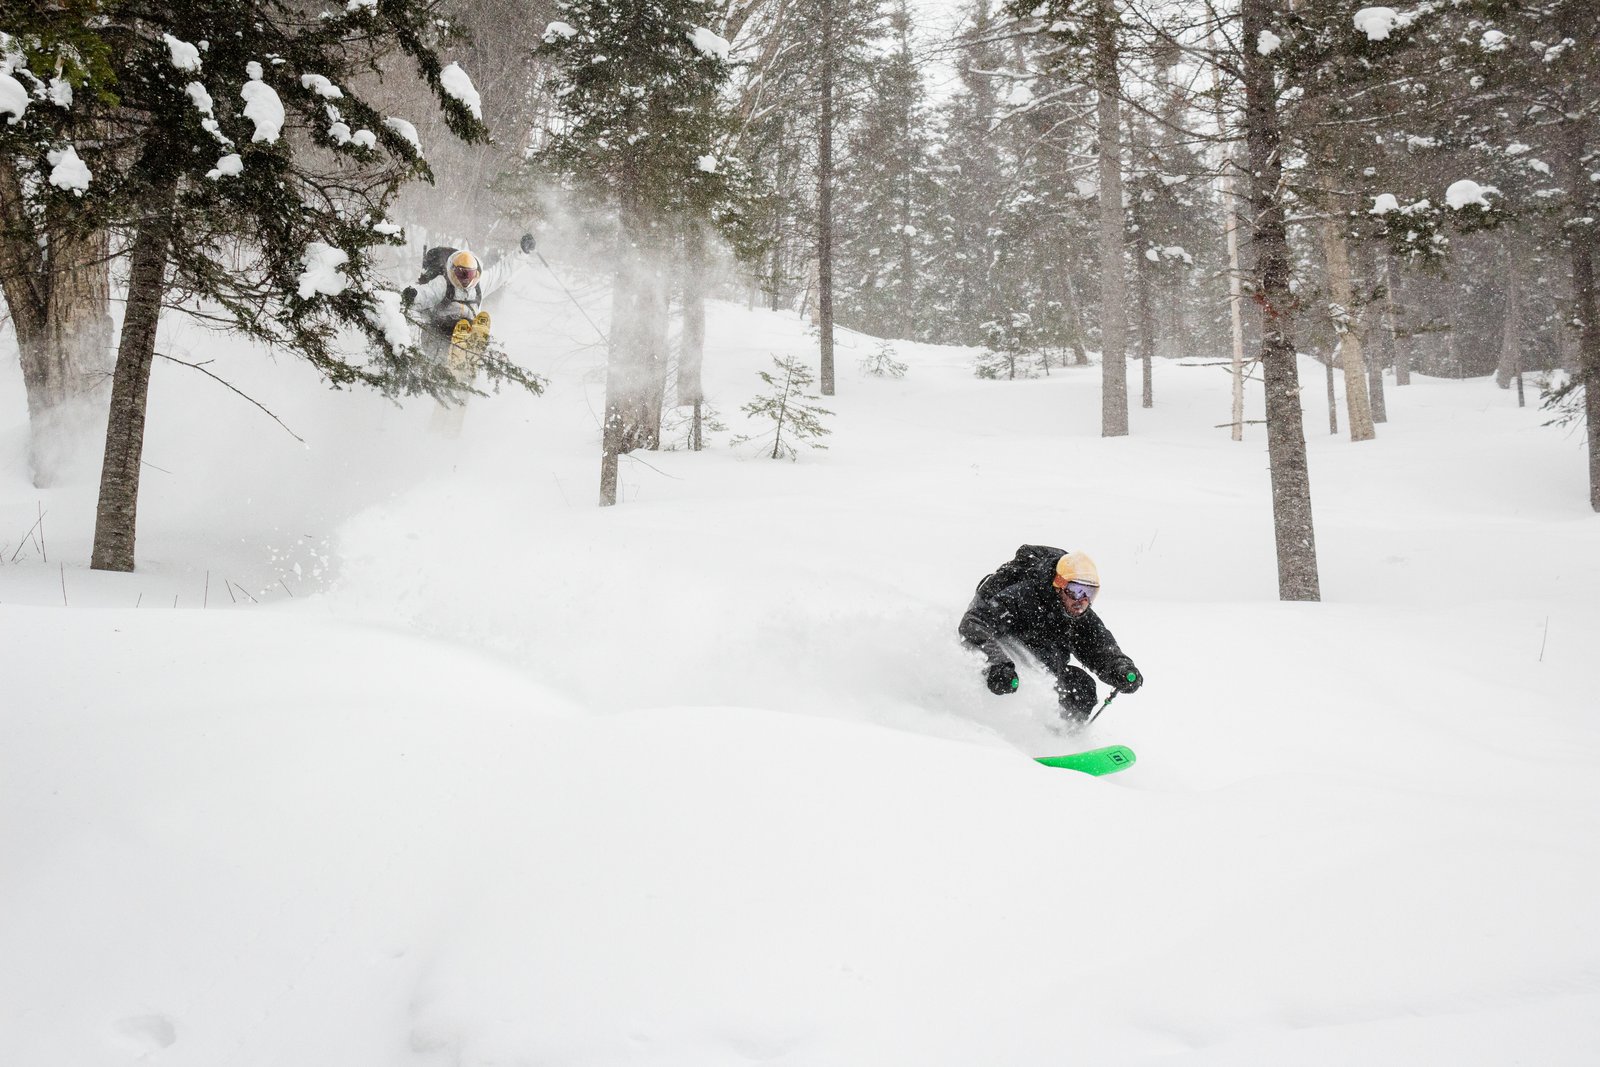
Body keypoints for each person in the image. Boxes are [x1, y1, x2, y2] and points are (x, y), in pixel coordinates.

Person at [958, 545, 1144, 728]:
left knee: (1081, 687)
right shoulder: (1023, 597)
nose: (1081, 600)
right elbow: (974, 623)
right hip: (1006, 668)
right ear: (1059, 584)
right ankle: (1004, 733)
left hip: (1047, 668)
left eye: (1090, 593)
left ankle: (1060, 739)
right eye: (1076, 590)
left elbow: (1099, 647)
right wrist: (997, 664)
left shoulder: (1079, 614)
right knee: (1020, 686)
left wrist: (1120, 667)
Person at [402, 233, 537, 363]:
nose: (465, 280)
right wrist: (413, 296)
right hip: (440, 330)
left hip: (468, 329)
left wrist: (522, 252)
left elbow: (501, 271)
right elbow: (426, 293)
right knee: (455, 326)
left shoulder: (479, 284)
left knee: (470, 322)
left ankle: (472, 349)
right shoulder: (443, 283)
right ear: (453, 271)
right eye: (461, 274)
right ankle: (449, 356)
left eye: (470, 275)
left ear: (476, 273)